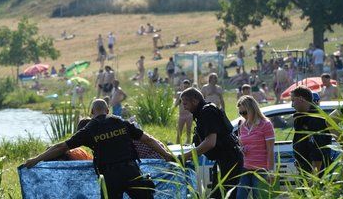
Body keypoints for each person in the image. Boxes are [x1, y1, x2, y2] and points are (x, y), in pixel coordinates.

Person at [23, 99, 174, 199]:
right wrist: (166, 154)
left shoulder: (89, 129)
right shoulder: (120, 122)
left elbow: (62, 146)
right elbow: (147, 139)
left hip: (109, 177)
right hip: (131, 171)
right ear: (107, 110)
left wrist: (36, 159)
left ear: (91, 113)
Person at [178, 88, 243, 199]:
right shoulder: (202, 113)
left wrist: (185, 156)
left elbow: (210, 143)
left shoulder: (207, 112)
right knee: (217, 195)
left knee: (224, 195)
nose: (184, 107)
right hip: (223, 160)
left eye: (185, 103)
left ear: (194, 101)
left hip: (230, 160)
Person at [236, 95, 275, 199]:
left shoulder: (266, 124)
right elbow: (242, 143)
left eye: (245, 112)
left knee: (259, 197)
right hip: (246, 168)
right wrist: (242, 149)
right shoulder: (242, 125)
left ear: (252, 109)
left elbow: (270, 150)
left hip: (262, 170)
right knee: (240, 196)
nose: (243, 115)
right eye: (240, 113)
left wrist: (271, 171)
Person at [291, 86, 332, 176]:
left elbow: (318, 152)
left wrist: (314, 177)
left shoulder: (316, 120)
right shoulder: (301, 119)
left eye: (293, 100)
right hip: (304, 169)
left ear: (301, 99)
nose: (292, 105)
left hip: (315, 173)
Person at [175, 79, 193, 144]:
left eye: (187, 87)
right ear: (182, 86)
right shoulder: (179, 94)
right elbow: (176, 104)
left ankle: (188, 144)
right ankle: (177, 144)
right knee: (179, 132)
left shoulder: (191, 94)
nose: (185, 88)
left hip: (189, 115)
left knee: (189, 131)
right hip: (181, 115)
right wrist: (180, 99)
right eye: (184, 87)